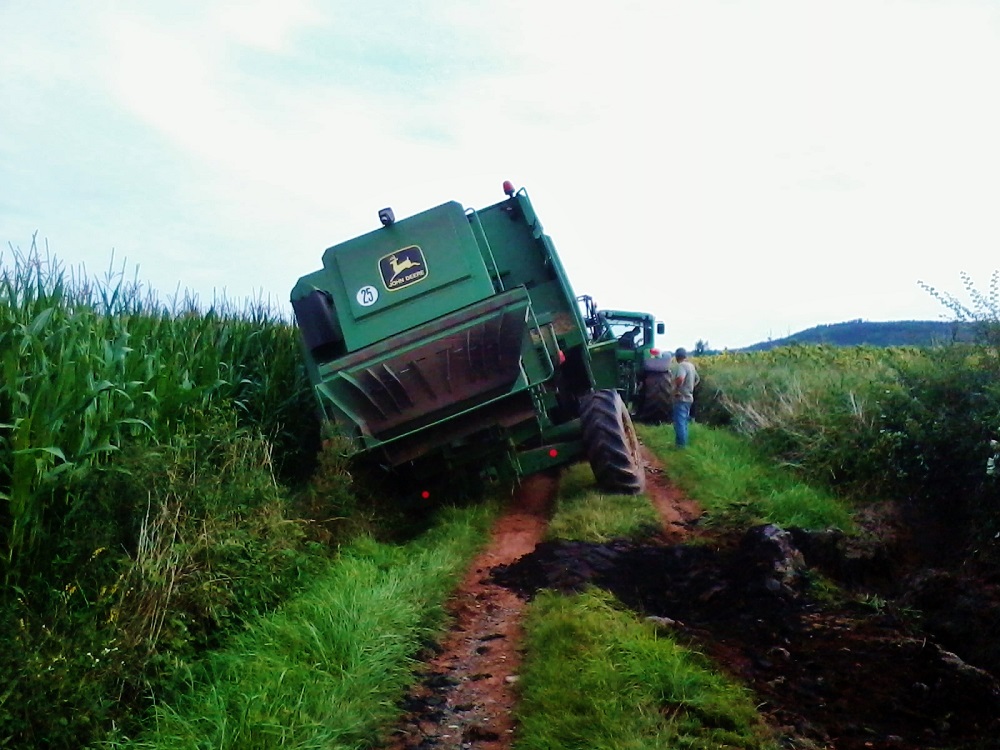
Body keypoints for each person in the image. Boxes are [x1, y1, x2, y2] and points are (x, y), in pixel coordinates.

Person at [671, 347, 700, 447]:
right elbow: (697, 379)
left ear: (676, 356)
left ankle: (681, 446)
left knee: (679, 423)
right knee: (684, 422)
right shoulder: (691, 366)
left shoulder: (681, 366)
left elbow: (680, 378)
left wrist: (677, 390)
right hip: (689, 397)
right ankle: (681, 444)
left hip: (681, 398)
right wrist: (690, 387)